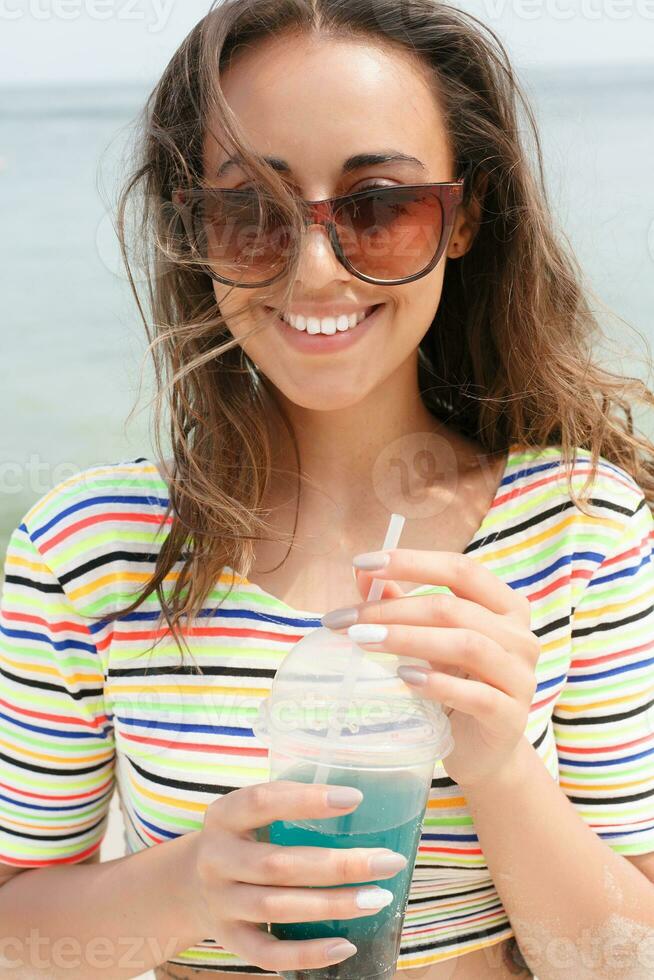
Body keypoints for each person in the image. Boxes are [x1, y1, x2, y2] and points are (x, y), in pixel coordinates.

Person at [2, 1, 654, 978]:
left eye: (380, 206)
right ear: (196, 233)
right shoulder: (88, 548)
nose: (315, 269)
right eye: (251, 212)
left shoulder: (579, 528)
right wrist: (189, 881)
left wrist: (498, 763)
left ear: (464, 215)